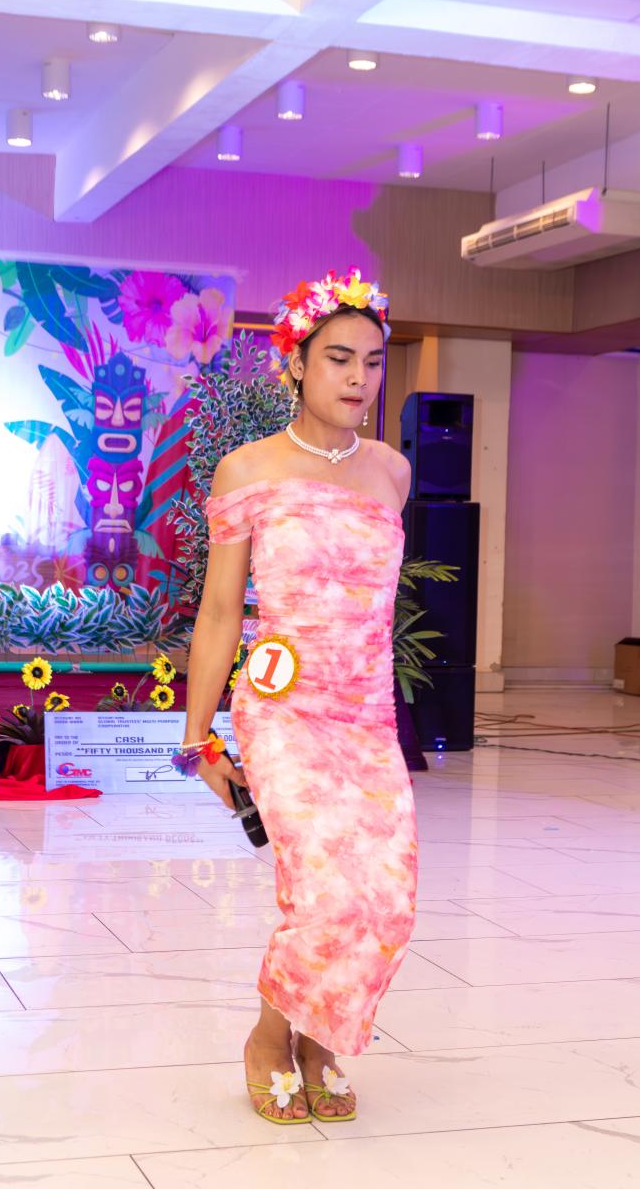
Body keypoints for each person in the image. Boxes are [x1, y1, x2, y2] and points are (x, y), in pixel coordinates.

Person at [180, 268, 418, 1124]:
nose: (359, 378)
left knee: (387, 896)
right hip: (284, 712)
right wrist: (199, 739)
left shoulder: (392, 472)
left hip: (369, 716)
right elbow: (219, 612)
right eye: (338, 359)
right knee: (321, 893)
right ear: (296, 363)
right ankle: (270, 1038)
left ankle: (320, 1037)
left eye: (373, 361)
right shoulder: (247, 469)